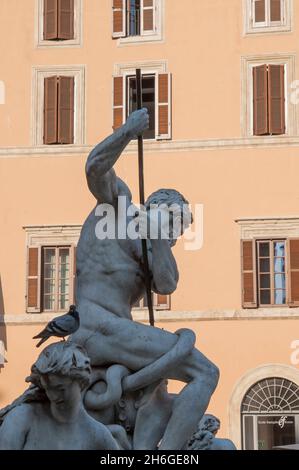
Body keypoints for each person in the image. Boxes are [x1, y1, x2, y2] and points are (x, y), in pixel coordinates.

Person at [71, 108, 219, 450]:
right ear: (159, 209)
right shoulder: (119, 205)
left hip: (114, 334)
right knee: (205, 372)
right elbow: (95, 167)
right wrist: (128, 131)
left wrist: (155, 236)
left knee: (161, 394)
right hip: (98, 325)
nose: (175, 237)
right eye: (175, 224)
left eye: (179, 232)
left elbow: (167, 284)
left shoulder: (152, 244)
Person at [0, 342, 130, 450]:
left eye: (61, 389)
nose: (53, 396)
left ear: (81, 383)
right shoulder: (22, 418)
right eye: (48, 388)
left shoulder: (98, 436)